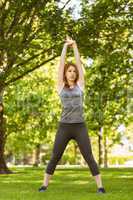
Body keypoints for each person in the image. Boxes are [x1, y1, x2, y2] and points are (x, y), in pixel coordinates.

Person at [38, 36, 106, 194]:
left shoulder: (80, 85)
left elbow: (79, 63)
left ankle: (100, 187)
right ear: (65, 73)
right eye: (69, 71)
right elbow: (61, 65)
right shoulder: (60, 86)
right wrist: (64, 47)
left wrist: (74, 46)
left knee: (89, 156)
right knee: (55, 156)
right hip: (64, 127)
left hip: (80, 126)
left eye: (74, 71)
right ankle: (44, 185)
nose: (72, 73)